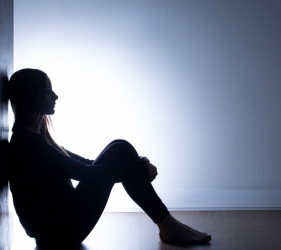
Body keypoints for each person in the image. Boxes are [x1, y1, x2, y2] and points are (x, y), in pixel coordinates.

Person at [7, 68, 211, 249]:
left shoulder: (35, 136)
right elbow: (84, 173)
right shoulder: (28, 144)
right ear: (32, 97)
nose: (56, 96)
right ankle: (168, 226)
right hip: (60, 235)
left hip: (60, 227)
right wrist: (139, 169)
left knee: (119, 148)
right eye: (48, 91)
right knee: (119, 149)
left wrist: (136, 165)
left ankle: (168, 225)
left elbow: (84, 164)